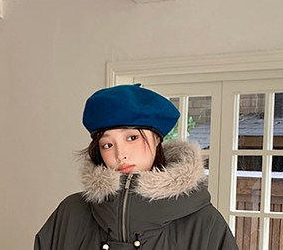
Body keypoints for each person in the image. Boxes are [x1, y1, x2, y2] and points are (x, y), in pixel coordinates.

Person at [34, 84, 238, 250]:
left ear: (157, 139)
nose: (120, 154)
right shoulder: (70, 213)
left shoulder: (204, 222)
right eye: (107, 144)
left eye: (132, 138)